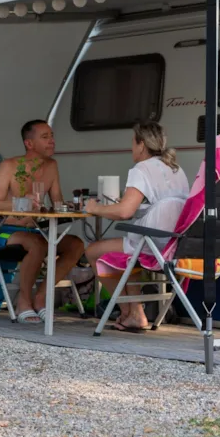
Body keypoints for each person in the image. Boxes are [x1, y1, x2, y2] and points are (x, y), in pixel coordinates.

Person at [85, 121, 189, 332]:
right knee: (128, 252)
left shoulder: (141, 169)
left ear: (141, 145)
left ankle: (128, 312)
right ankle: (135, 312)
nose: (131, 148)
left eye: (133, 143)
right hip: (173, 244)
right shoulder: (176, 169)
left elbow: (124, 212)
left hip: (152, 243)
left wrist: (95, 208)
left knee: (92, 251)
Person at [0, 120, 85, 324]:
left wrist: (74, 206)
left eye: (52, 136)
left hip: (36, 231)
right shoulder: (10, 166)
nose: (52, 141)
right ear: (29, 144)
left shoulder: (52, 165)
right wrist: (20, 202)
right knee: (37, 244)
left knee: (76, 244)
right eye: (45, 137)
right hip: (6, 231)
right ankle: (23, 301)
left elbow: (57, 202)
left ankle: (40, 298)